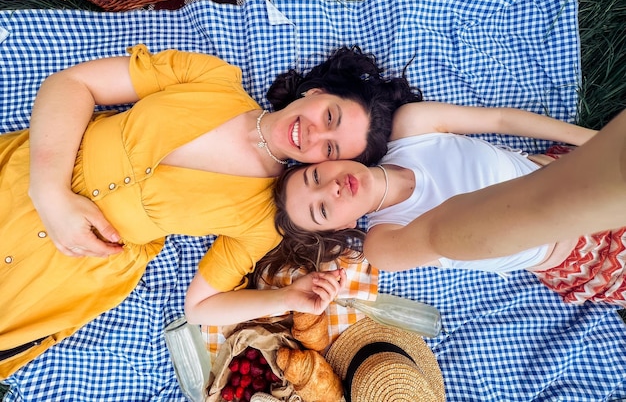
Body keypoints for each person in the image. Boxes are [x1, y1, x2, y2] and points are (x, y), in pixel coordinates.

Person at [0, 44, 419, 377]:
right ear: (315, 92)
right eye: (330, 115)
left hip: (73, 261)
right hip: (29, 174)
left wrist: (286, 297)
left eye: (330, 148)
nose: (314, 134)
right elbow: (72, 83)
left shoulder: (262, 219)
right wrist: (49, 193)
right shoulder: (213, 77)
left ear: (327, 165)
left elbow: (200, 307)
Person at [268, 101, 626, 306]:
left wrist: (595, 141)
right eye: (324, 209)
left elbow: (501, 120)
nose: (331, 189)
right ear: (342, 227)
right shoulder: (383, 244)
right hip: (584, 255)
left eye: (315, 177)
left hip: (570, 166)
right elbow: (441, 236)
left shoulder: (412, 126)